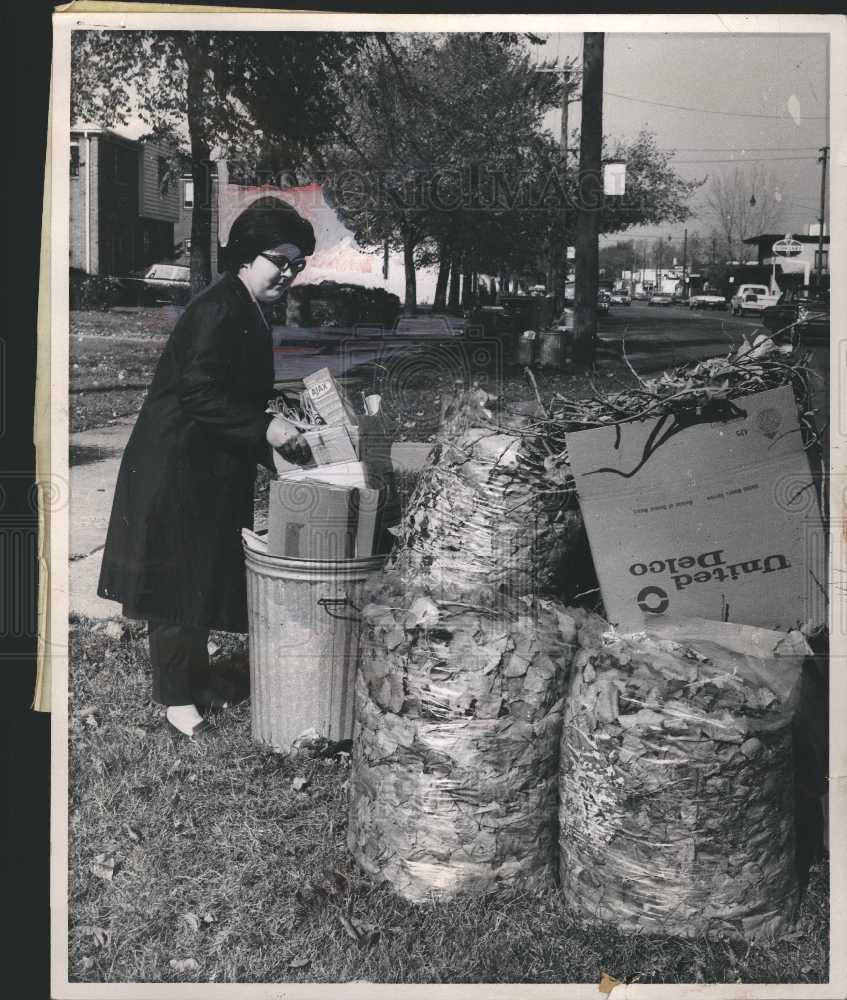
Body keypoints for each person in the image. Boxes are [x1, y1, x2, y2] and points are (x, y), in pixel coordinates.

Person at [97, 196, 315, 738]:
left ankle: (193, 677)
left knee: (200, 578)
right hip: (175, 466)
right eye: (279, 260)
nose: (288, 273)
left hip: (206, 465)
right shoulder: (219, 306)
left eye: (297, 264)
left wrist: (279, 441)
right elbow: (198, 390)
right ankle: (174, 700)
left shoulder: (246, 306)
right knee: (175, 583)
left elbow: (235, 392)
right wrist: (266, 430)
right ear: (245, 256)